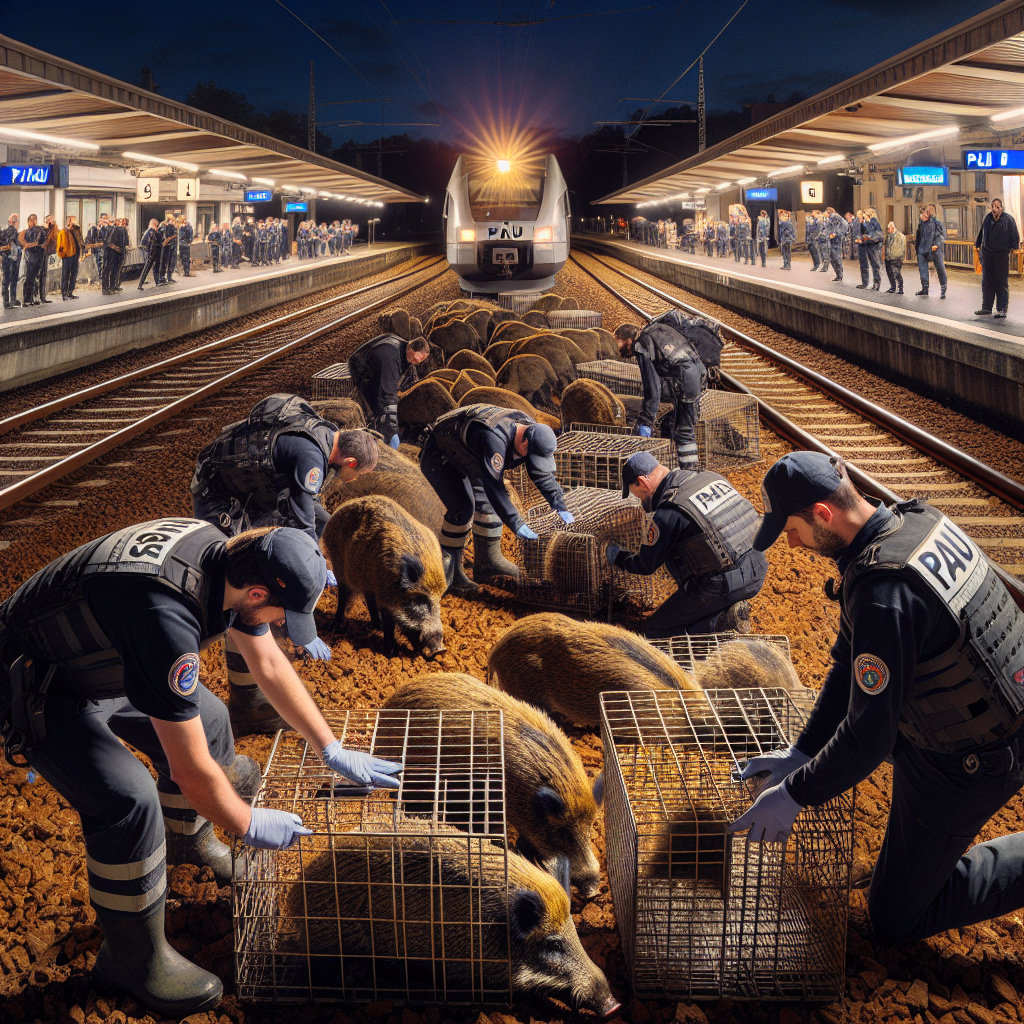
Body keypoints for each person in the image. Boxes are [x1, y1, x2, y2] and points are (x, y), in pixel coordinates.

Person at [0, 520, 404, 1016]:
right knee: (127, 800)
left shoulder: (229, 557)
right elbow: (190, 770)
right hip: (39, 683)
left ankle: (187, 841)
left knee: (211, 721)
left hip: (102, 657)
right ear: (257, 593)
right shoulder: (164, 615)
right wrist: (246, 822)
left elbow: (269, 663)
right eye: (282, 614)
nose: (282, 624)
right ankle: (132, 958)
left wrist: (330, 748)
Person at [729, 451, 1024, 948]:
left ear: (824, 514)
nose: (791, 542)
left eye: (793, 528)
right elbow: (849, 668)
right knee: (857, 759)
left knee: (892, 918)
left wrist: (795, 794)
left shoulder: (884, 593)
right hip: (982, 707)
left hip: (975, 756)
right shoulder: (910, 522)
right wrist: (802, 753)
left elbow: (869, 738)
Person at [605, 452, 766, 636]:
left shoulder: (669, 510)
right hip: (758, 567)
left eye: (640, 496)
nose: (642, 503)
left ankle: (719, 621)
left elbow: (645, 565)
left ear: (643, 482)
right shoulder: (709, 476)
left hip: (725, 583)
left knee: (656, 629)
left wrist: (618, 556)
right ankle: (726, 610)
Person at [418, 404, 572, 595]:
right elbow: (494, 487)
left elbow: (541, 474)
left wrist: (560, 504)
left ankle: (487, 563)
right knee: (463, 508)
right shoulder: (493, 437)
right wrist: (517, 524)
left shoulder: (532, 433)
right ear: (524, 444)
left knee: (488, 507)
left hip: (471, 457)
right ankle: (449, 574)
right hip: (441, 454)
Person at [614, 310, 718, 471]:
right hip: (697, 373)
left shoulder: (642, 344)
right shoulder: (657, 331)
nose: (617, 348)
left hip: (685, 381)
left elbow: (652, 387)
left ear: (628, 339)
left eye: (618, 342)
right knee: (673, 425)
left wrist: (646, 420)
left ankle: (689, 471)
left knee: (684, 431)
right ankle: (680, 467)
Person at [348, 333, 431, 448]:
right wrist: (392, 427)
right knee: (376, 408)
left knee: (385, 405)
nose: (417, 362)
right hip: (363, 370)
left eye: (421, 360)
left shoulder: (405, 352)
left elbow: (409, 381)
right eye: (417, 358)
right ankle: (371, 438)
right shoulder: (390, 358)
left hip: (378, 367)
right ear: (410, 348)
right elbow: (388, 393)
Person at [975, 197, 1020, 319]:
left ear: (1001, 208)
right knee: (987, 282)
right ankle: (986, 307)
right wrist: (978, 245)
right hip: (988, 253)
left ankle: (1001, 310)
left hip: (1001, 255)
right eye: (993, 206)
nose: (994, 208)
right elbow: (981, 234)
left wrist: (1013, 248)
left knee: (1001, 283)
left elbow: (1015, 235)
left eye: (997, 206)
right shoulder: (988, 218)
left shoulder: (1008, 220)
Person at [915, 205, 947, 299]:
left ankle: (943, 290)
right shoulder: (921, 224)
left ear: (928, 214)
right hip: (922, 249)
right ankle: (925, 289)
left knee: (940, 268)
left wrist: (936, 245)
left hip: (934, 250)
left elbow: (941, 236)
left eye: (922, 213)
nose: (921, 216)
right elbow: (919, 237)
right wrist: (918, 249)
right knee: (923, 269)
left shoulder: (937, 223)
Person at [18, 214, 47, 306]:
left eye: (35, 220)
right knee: (29, 277)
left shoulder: (39, 231)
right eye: (31, 220)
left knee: (36, 277)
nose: (33, 222)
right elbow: (25, 245)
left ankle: (33, 297)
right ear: (28, 221)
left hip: (38, 256)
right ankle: (27, 298)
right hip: (30, 257)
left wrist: (37, 243)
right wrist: (36, 244)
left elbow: (43, 243)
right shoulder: (25, 232)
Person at [57, 214, 85, 300]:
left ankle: (70, 292)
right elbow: (60, 245)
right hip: (67, 256)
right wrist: (63, 254)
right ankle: (64, 294)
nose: (74, 221)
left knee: (74, 274)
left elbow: (80, 240)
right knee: (65, 275)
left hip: (75, 255)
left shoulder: (76, 230)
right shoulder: (63, 231)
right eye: (72, 220)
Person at [857, 208, 883, 291]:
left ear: (869, 214)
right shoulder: (866, 222)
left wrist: (868, 237)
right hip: (868, 245)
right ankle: (872, 284)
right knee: (872, 265)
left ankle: (876, 284)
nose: (863, 214)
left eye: (864, 213)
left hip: (874, 246)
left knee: (875, 265)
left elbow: (878, 235)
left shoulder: (874, 221)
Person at [101, 218, 127, 295]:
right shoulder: (108, 229)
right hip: (110, 252)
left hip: (117, 252)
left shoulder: (121, 229)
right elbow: (106, 241)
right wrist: (115, 247)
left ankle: (113, 286)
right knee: (107, 269)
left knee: (115, 269)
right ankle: (105, 288)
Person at [821, 207, 846, 281]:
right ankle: (838, 274)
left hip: (835, 240)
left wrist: (836, 234)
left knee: (836, 257)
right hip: (832, 240)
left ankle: (839, 275)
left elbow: (842, 226)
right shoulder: (831, 218)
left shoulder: (835, 217)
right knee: (832, 257)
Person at [1, 213, 20, 309]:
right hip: (9, 258)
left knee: (11, 278)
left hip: (11, 258)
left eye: (15, 220)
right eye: (13, 221)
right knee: (9, 279)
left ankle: (11, 299)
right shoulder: (10, 232)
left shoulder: (13, 232)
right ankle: (7, 300)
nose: (14, 223)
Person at [138, 219, 162, 290]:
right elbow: (144, 242)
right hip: (152, 252)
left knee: (154, 267)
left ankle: (157, 281)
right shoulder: (150, 231)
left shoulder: (151, 231)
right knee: (148, 268)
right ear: (155, 224)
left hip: (155, 251)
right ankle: (141, 284)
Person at [884, 221, 906, 295]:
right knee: (889, 272)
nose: (888, 230)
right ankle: (893, 287)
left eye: (889, 228)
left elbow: (901, 248)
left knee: (896, 273)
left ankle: (900, 288)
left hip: (896, 258)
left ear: (892, 228)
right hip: (888, 257)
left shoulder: (900, 236)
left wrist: (897, 256)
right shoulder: (889, 236)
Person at [84, 214, 107, 284]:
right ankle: (96, 278)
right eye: (104, 219)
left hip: (101, 250)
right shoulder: (93, 230)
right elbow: (88, 242)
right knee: (96, 264)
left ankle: (100, 277)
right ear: (99, 220)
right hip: (95, 251)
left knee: (101, 264)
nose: (105, 221)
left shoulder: (105, 230)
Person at [158, 215, 178, 285]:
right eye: (173, 220)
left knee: (171, 262)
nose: (174, 222)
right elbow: (162, 235)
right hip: (166, 246)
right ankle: (162, 278)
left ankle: (169, 277)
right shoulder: (164, 226)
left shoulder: (171, 226)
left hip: (171, 246)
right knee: (164, 262)